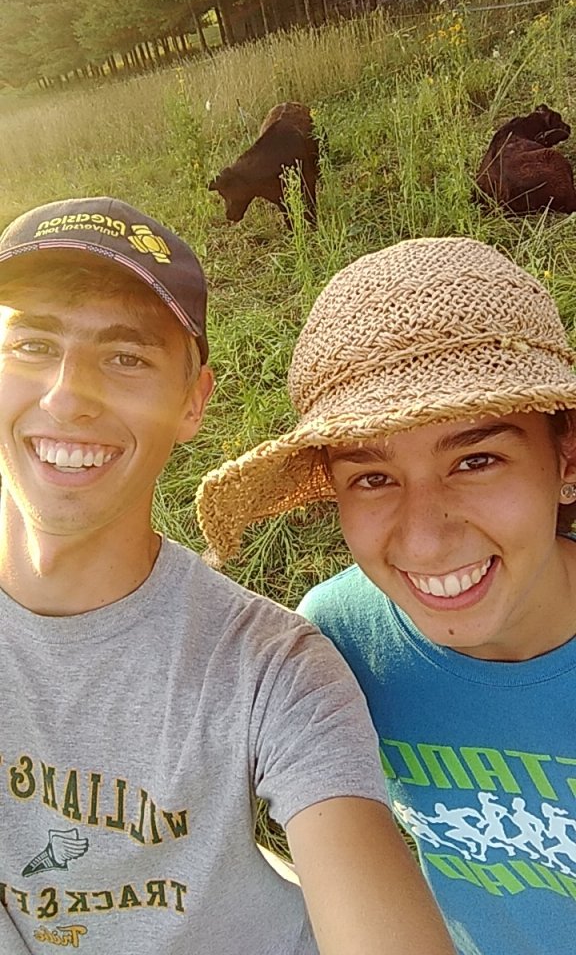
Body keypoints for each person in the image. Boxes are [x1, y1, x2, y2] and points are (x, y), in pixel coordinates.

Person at [0, 198, 456, 955]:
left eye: (126, 357)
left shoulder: (274, 667)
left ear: (194, 402)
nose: (68, 394)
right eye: (32, 344)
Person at [197, 235, 576, 955]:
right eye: (372, 477)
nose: (426, 541)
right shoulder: (336, 645)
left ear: (566, 460)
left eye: (477, 459)